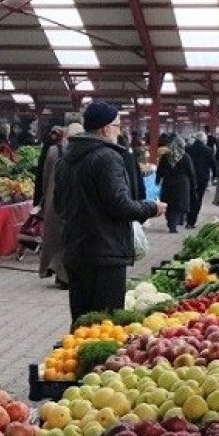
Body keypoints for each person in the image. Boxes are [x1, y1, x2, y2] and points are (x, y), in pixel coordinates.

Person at [55, 102, 163, 328]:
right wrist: (151, 208)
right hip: (105, 254)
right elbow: (119, 205)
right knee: (107, 326)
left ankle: (77, 361)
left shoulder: (66, 159)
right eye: (117, 125)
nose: (119, 130)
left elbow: (58, 205)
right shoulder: (108, 157)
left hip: (76, 251)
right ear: (105, 129)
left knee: (81, 324)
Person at [39, 124, 76, 288]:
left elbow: (45, 176)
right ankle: (64, 275)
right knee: (68, 237)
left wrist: (44, 197)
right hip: (71, 199)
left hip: (53, 198)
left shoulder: (53, 151)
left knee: (56, 237)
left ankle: (58, 272)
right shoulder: (80, 152)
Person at [156, 136, 197, 233]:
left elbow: (160, 171)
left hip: (168, 183)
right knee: (179, 206)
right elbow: (191, 172)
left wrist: (157, 181)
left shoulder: (166, 156)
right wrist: (193, 184)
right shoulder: (185, 157)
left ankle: (171, 222)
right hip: (182, 185)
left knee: (169, 205)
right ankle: (174, 223)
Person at [184, 133, 216, 228]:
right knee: (198, 199)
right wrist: (215, 176)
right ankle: (192, 220)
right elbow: (213, 164)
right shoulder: (208, 150)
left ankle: (188, 216)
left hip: (189, 178)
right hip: (202, 178)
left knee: (190, 197)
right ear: (204, 140)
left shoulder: (188, 149)